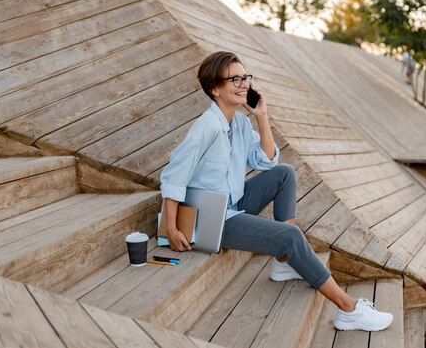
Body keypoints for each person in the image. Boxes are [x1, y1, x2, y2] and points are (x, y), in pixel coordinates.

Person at [160, 51, 393, 332]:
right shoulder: (207, 127)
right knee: (290, 235)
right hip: (209, 219)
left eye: (245, 77)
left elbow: (267, 160)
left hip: (233, 203)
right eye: (234, 79)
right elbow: (174, 177)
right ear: (215, 89)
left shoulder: (240, 123)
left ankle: (285, 262)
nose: (243, 83)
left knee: (284, 173)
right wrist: (172, 230)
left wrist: (262, 116)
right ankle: (348, 308)